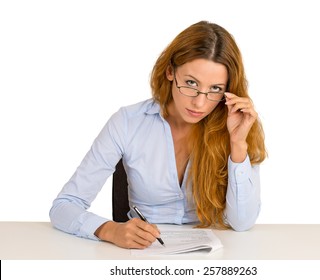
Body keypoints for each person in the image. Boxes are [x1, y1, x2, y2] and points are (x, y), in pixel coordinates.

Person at [50, 20, 266, 249]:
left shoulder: (235, 124)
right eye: (191, 83)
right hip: (143, 255)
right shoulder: (127, 123)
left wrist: (238, 143)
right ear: (170, 72)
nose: (200, 103)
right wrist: (111, 230)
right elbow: (64, 206)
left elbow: (242, 223)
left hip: (216, 258)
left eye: (215, 89)